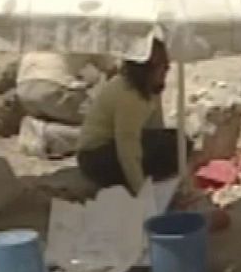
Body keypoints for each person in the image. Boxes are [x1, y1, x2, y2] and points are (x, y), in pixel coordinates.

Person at [76, 39, 186, 195]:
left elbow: (154, 128)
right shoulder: (128, 96)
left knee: (176, 142)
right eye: (162, 67)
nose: (165, 71)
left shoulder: (145, 89)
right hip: (96, 157)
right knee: (169, 148)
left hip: (111, 147)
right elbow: (127, 146)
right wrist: (141, 190)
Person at [16, 52, 115, 158]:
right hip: (53, 87)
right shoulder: (93, 38)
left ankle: (38, 127)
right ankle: (45, 135)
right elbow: (111, 69)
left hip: (24, 90)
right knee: (104, 128)